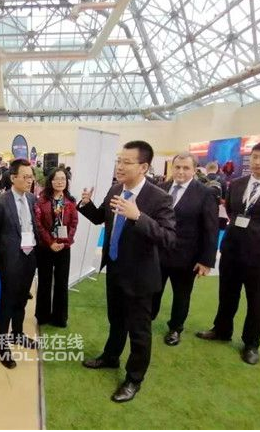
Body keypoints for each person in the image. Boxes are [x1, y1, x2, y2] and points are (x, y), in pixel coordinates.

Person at [77, 140, 175, 403]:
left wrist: (138, 216)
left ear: (143, 167)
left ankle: (134, 379)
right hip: (115, 270)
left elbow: (168, 238)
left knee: (139, 332)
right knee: (116, 320)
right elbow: (101, 217)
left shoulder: (159, 197)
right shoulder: (115, 189)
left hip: (141, 278)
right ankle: (111, 357)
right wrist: (86, 204)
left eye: (126, 162)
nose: (119, 166)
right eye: (118, 161)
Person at [196, 140, 260, 365]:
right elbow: (232, 211)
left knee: (258, 301)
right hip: (232, 250)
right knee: (227, 294)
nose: (257, 162)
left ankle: (251, 343)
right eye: (254, 157)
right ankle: (222, 330)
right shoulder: (237, 183)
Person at [151, 153, 219, 346]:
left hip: (186, 257)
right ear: (172, 168)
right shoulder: (161, 188)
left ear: (194, 170)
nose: (181, 171)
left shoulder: (205, 193)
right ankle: (147, 318)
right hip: (158, 252)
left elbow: (211, 229)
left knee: (181, 295)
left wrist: (206, 261)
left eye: (186, 168)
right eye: (177, 167)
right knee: (153, 289)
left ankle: (175, 328)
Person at [0, 159, 39, 369]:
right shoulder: (0, 202)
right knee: (7, 303)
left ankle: (18, 334)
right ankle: (2, 346)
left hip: (30, 256)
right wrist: (2, 262)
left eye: (31, 177)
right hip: (10, 260)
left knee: (22, 300)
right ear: (13, 178)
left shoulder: (32, 199)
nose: (30, 181)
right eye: (25, 177)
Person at [34, 167, 79, 328]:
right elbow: (38, 224)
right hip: (46, 248)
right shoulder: (41, 201)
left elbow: (74, 223)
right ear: (51, 181)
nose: (60, 182)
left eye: (63, 179)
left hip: (64, 248)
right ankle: (43, 316)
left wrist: (65, 242)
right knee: (45, 282)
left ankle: (60, 318)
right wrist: (50, 242)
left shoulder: (70, 201)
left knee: (61, 282)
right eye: (57, 179)